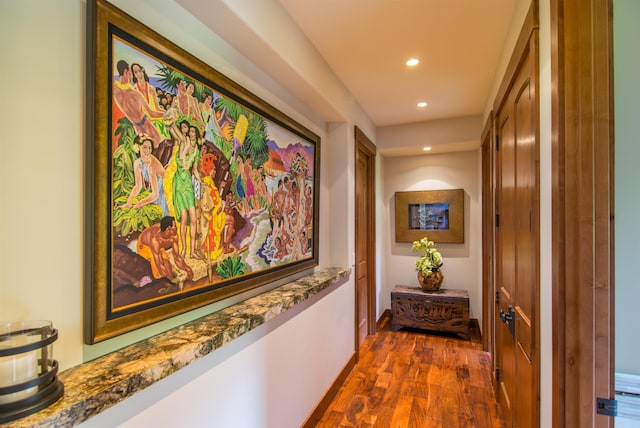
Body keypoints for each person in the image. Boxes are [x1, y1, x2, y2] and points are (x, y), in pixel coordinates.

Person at [112, 60, 164, 147]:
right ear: (126, 71)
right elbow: (151, 113)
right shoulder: (135, 93)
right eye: (131, 73)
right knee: (158, 143)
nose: (131, 77)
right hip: (145, 122)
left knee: (148, 147)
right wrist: (166, 114)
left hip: (136, 126)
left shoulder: (114, 89)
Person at [172, 123, 200, 259]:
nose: (192, 134)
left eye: (194, 132)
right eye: (191, 131)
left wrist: (201, 182)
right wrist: (171, 123)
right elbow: (176, 133)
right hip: (179, 184)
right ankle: (184, 249)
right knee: (184, 217)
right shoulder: (183, 143)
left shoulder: (197, 151)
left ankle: (192, 251)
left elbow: (194, 169)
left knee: (193, 217)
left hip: (188, 183)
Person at [136, 216, 193, 281]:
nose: (176, 228)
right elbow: (159, 265)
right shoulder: (155, 240)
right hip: (144, 246)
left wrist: (188, 269)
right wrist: (168, 280)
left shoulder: (173, 235)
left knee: (168, 266)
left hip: (159, 246)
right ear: (169, 228)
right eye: (175, 226)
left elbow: (177, 258)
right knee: (161, 274)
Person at [122, 134, 168, 215]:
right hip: (155, 194)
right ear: (138, 148)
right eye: (144, 147)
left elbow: (155, 194)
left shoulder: (152, 164)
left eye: (150, 148)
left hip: (164, 193)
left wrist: (141, 202)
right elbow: (138, 186)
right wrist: (129, 203)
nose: (148, 151)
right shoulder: (137, 163)